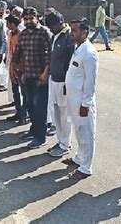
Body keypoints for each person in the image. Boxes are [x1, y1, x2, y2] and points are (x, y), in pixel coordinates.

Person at [63, 19, 99, 180]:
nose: (72, 33)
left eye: (75, 31)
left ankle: (86, 167)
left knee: (87, 132)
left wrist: (86, 104)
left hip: (82, 101)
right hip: (73, 99)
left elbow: (91, 81)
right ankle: (79, 158)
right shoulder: (78, 48)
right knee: (78, 130)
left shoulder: (89, 53)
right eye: (71, 30)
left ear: (85, 33)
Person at [12, 7, 51, 149]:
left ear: (37, 18)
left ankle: (41, 137)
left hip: (41, 77)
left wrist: (46, 73)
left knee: (39, 107)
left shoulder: (44, 33)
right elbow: (18, 53)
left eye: (31, 19)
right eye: (26, 19)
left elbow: (49, 56)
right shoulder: (23, 35)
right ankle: (34, 130)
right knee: (29, 105)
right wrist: (15, 69)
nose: (28, 21)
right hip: (27, 76)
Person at [45, 11, 75, 157]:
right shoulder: (55, 36)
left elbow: (70, 62)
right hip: (54, 79)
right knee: (56, 113)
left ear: (60, 23)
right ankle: (60, 141)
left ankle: (66, 144)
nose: (50, 29)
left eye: (52, 26)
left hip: (63, 82)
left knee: (64, 115)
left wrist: (67, 83)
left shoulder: (68, 37)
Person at [6, 15, 27, 124]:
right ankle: (18, 113)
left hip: (21, 67)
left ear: (13, 24)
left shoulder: (21, 35)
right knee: (15, 92)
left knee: (24, 93)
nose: (7, 26)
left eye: (8, 23)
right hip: (13, 66)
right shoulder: (10, 34)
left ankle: (24, 115)